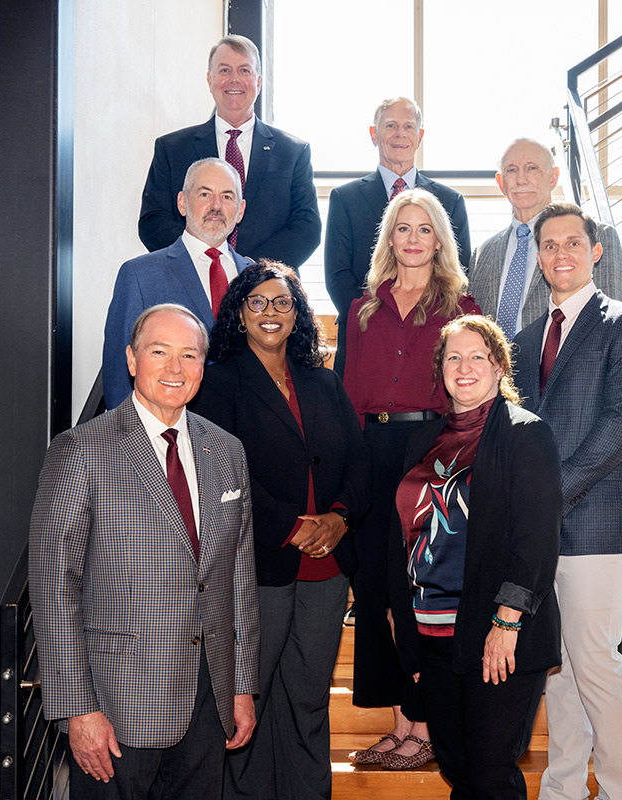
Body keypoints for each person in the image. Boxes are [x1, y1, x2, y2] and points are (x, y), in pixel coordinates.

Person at [29, 304, 260, 800]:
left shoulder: (228, 451)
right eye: (160, 352)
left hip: (207, 699)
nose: (175, 369)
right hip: (116, 707)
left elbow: (238, 581)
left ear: (203, 367)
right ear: (132, 359)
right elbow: (53, 588)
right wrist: (77, 708)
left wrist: (242, 686)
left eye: (189, 355)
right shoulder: (80, 451)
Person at [192, 261, 370, 800]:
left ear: (298, 315)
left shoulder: (324, 380)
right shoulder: (219, 383)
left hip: (328, 567)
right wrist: (290, 526)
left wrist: (339, 518)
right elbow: (219, 472)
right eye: (258, 303)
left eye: (283, 303)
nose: (271, 313)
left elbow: (359, 463)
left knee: (309, 698)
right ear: (239, 313)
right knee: (251, 699)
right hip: (259, 566)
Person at [510, 203, 622, 800]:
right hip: (535, 536)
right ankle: (563, 790)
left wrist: (548, 495)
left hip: (593, 530)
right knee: (561, 674)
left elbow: (620, 427)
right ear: (539, 256)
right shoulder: (521, 342)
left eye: (573, 242)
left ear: (596, 252)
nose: (561, 253)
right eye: (549, 244)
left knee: (597, 667)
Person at [387, 315, 563, 799]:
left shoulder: (525, 435)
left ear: (500, 365)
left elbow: (536, 542)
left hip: (496, 634)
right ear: (440, 369)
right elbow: (399, 536)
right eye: (453, 358)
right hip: (432, 635)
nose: (464, 368)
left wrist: (506, 624)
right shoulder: (423, 440)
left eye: (477, 357)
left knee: (489, 774)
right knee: (459, 770)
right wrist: (406, 631)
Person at [342, 188, 481, 770]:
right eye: (404, 228)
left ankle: (426, 726)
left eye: (426, 229)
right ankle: (400, 726)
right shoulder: (363, 308)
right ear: (390, 238)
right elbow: (348, 389)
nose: (414, 238)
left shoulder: (461, 304)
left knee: (418, 590)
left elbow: (470, 380)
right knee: (376, 588)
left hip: (429, 451)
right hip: (371, 449)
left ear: (440, 240)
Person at [138, 35, 321, 268]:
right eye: (224, 70)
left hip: (265, 288)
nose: (234, 79)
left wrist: (250, 267)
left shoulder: (294, 152)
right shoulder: (172, 149)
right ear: (209, 79)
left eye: (244, 71)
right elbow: (153, 221)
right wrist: (207, 257)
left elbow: (307, 227)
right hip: (189, 281)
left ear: (258, 82)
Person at [325, 97, 471, 374]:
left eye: (408, 126)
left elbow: (457, 271)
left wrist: (416, 324)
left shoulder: (450, 201)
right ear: (373, 134)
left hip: (432, 339)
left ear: (420, 136)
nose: (400, 134)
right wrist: (384, 322)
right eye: (390, 125)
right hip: (365, 335)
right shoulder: (345, 199)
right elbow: (338, 276)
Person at [101, 158, 252, 407]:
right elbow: (119, 370)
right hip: (171, 431)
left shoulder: (257, 278)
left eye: (227, 197)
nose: (216, 206)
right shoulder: (139, 275)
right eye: (205, 194)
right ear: (182, 203)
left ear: (241, 210)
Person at [467, 138, 622, 339]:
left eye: (532, 168)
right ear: (501, 183)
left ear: (553, 177)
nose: (521, 180)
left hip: (569, 369)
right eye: (511, 170)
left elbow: (615, 325)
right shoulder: (482, 253)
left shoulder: (597, 236)